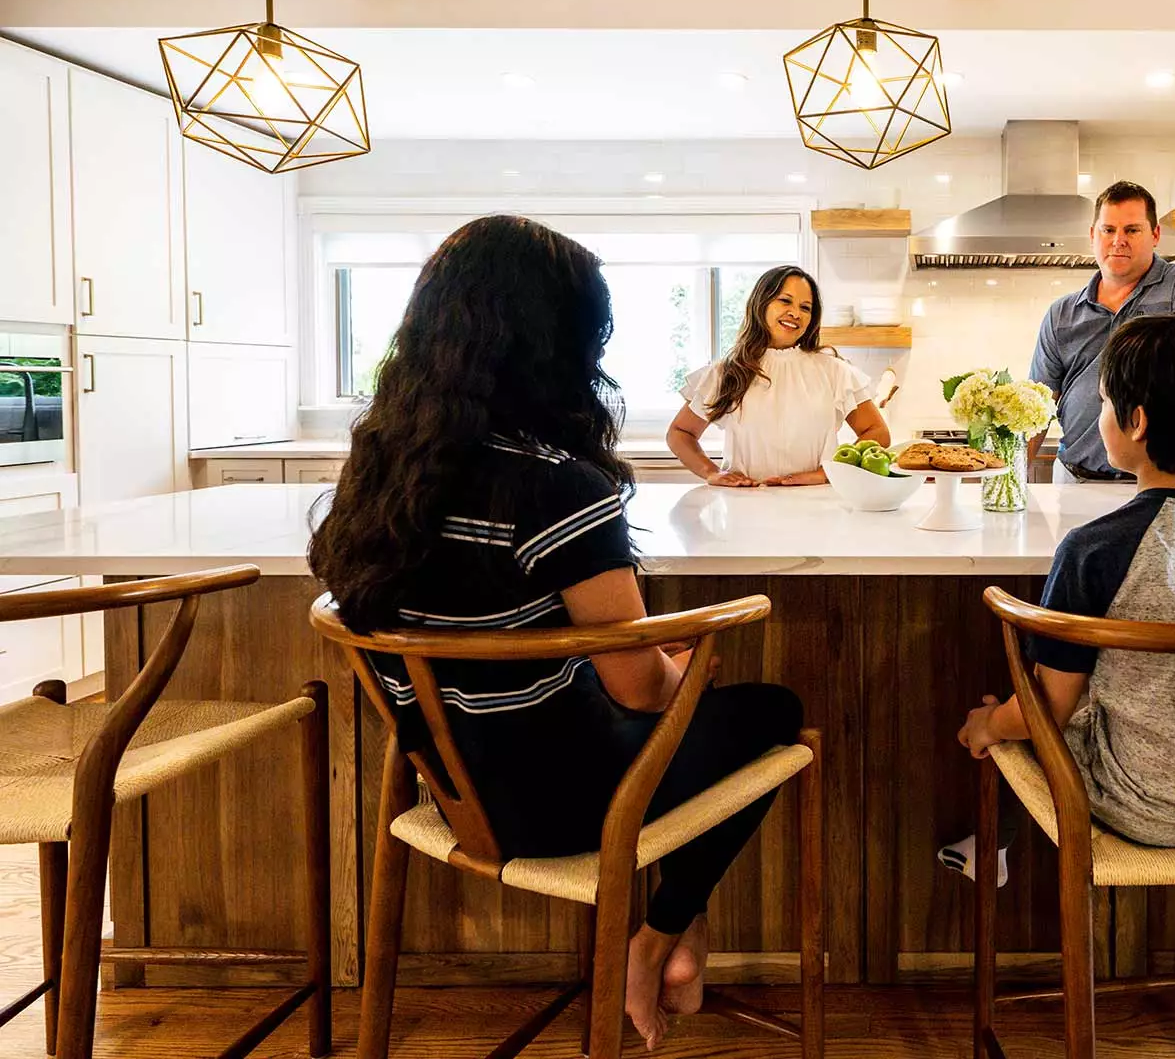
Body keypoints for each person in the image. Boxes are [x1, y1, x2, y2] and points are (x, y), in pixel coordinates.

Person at [308, 215, 802, 1048]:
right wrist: (676, 668)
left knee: (674, 698)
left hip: (455, 789)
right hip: (568, 808)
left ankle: (677, 937)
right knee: (771, 711)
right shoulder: (557, 487)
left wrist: (644, 659)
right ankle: (658, 936)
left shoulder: (381, 467)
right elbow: (640, 690)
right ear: (558, 345)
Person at [956, 313, 1175, 919]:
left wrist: (986, 728)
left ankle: (991, 845)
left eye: (1106, 401)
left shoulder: (1095, 549)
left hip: (1142, 807)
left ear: (1135, 423)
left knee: (1024, 714)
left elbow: (1049, 708)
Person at [1029, 181, 1175, 484]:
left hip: (1161, 483)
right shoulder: (1062, 313)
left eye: (1132, 230)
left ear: (1156, 235)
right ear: (1093, 235)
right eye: (1108, 230)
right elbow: (1035, 408)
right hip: (1074, 480)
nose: (1118, 240)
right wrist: (1007, 480)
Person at [667, 265, 889, 486]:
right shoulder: (726, 373)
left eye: (805, 307)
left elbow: (877, 432)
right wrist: (711, 472)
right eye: (785, 301)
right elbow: (680, 433)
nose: (795, 313)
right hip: (744, 507)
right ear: (761, 303)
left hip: (818, 506)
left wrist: (827, 473)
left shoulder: (834, 370)